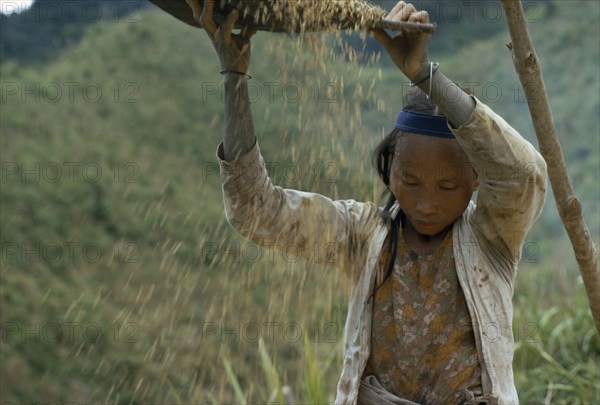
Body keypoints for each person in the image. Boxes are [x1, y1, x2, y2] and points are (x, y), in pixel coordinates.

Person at [186, 1, 547, 403]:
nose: (426, 203)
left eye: (447, 188)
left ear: (477, 179)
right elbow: (255, 211)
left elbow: (525, 175)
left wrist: (425, 77)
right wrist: (234, 76)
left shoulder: (492, 237)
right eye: (410, 181)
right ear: (389, 169)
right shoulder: (365, 233)